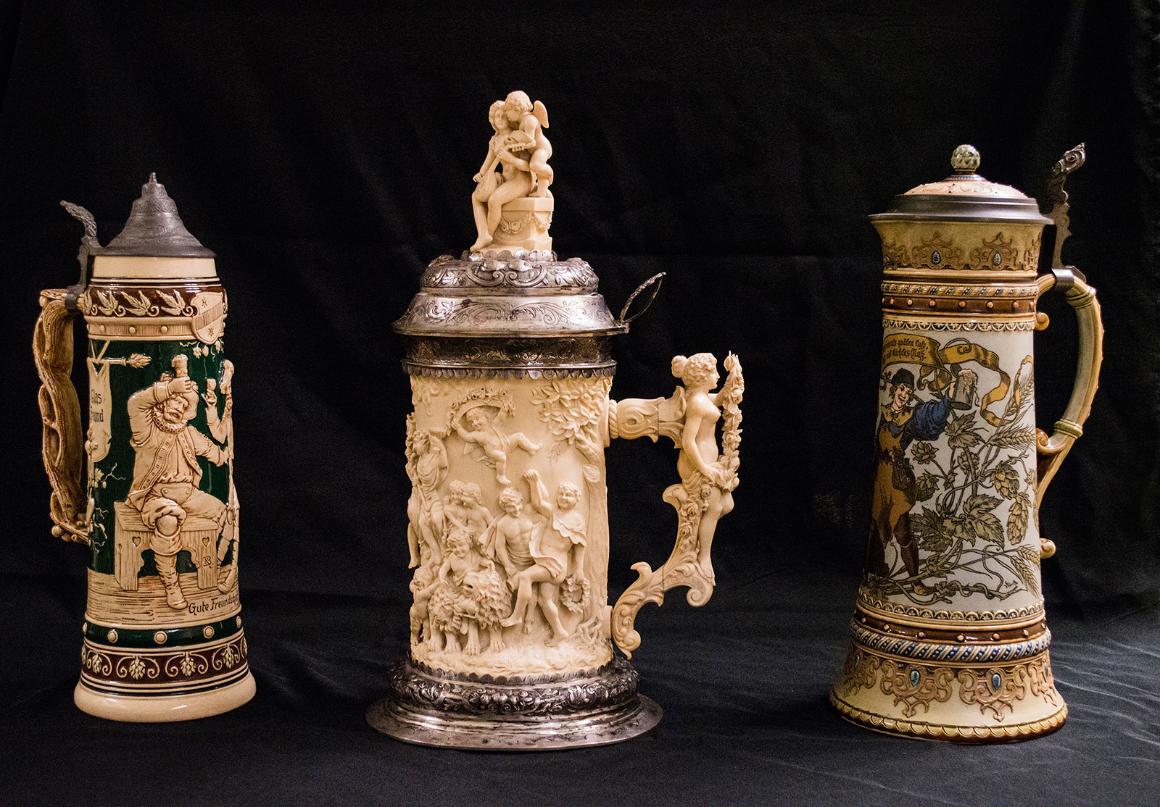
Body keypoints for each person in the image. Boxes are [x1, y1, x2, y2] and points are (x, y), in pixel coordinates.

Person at [124, 356, 228, 609]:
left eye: (184, 403)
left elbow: (216, 453)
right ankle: (171, 585)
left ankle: (216, 570)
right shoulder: (146, 427)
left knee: (223, 512)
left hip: (188, 494)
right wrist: (171, 388)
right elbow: (136, 403)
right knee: (169, 520)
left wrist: (225, 453)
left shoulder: (189, 432)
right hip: (154, 496)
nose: (178, 406)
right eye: (174, 400)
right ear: (163, 401)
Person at [868, 368, 955, 579]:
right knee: (877, 525)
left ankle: (915, 580)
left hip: (898, 480)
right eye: (901, 388)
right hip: (881, 480)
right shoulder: (884, 411)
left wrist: (947, 400)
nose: (904, 393)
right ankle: (878, 574)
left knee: (902, 530)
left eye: (908, 390)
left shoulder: (911, 416)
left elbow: (929, 417)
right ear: (894, 389)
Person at [501, 470, 587, 645]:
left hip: (554, 565)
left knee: (525, 576)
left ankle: (517, 616)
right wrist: (534, 482)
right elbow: (538, 503)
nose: (563, 497)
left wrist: (579, 569)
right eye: (561, 494)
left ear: (577, 499)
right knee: (544, 600)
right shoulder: (553, 513)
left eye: (568, 495)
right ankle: (559, 632)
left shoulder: (577, 520)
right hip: (544, 560)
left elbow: (580, 547)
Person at [670, 353, 735, 581]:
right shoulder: (696, 403)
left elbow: (718, 399)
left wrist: (732, 376)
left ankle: (698, 544)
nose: (717, 375)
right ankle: (703, 556)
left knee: (726, 504)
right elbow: (689, 441)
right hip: (697, 464)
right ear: (702, 377)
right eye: (714, 372)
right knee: (715, 507)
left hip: (708, 462)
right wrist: (704, 469)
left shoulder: (702, 398)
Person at [453, 406, 540, 485]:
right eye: (472, 422)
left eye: (477, 418)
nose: (475, 423)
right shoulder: (477, 434)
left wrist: (505, 408)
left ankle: (531, 448)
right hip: (493, 452)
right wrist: (458, 427)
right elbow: (466, 436)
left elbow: (500, 417)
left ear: (486, 417)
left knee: (519, 436)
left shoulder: (494, 425)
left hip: (506, 444)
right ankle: (500, 475)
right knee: (501, 457)